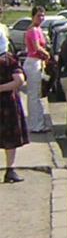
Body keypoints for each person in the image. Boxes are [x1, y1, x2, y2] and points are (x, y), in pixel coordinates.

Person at [22, 6, 53, 134]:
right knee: (34, 95)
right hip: (33, 62)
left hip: (38, 62)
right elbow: (36, 47)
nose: (41, 18)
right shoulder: (33, 30)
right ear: (33, 16)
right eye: (38, 15)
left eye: (42, 15)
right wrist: (47, 54)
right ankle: (36, 125)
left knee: (38, 94)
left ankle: (37, 122)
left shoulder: (39, 29)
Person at [1, 46, 28, 182]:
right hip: (7, 102)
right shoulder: (8, 60)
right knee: (10, 137)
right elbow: (19, 80)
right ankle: (10, 170)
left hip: (6, 102)